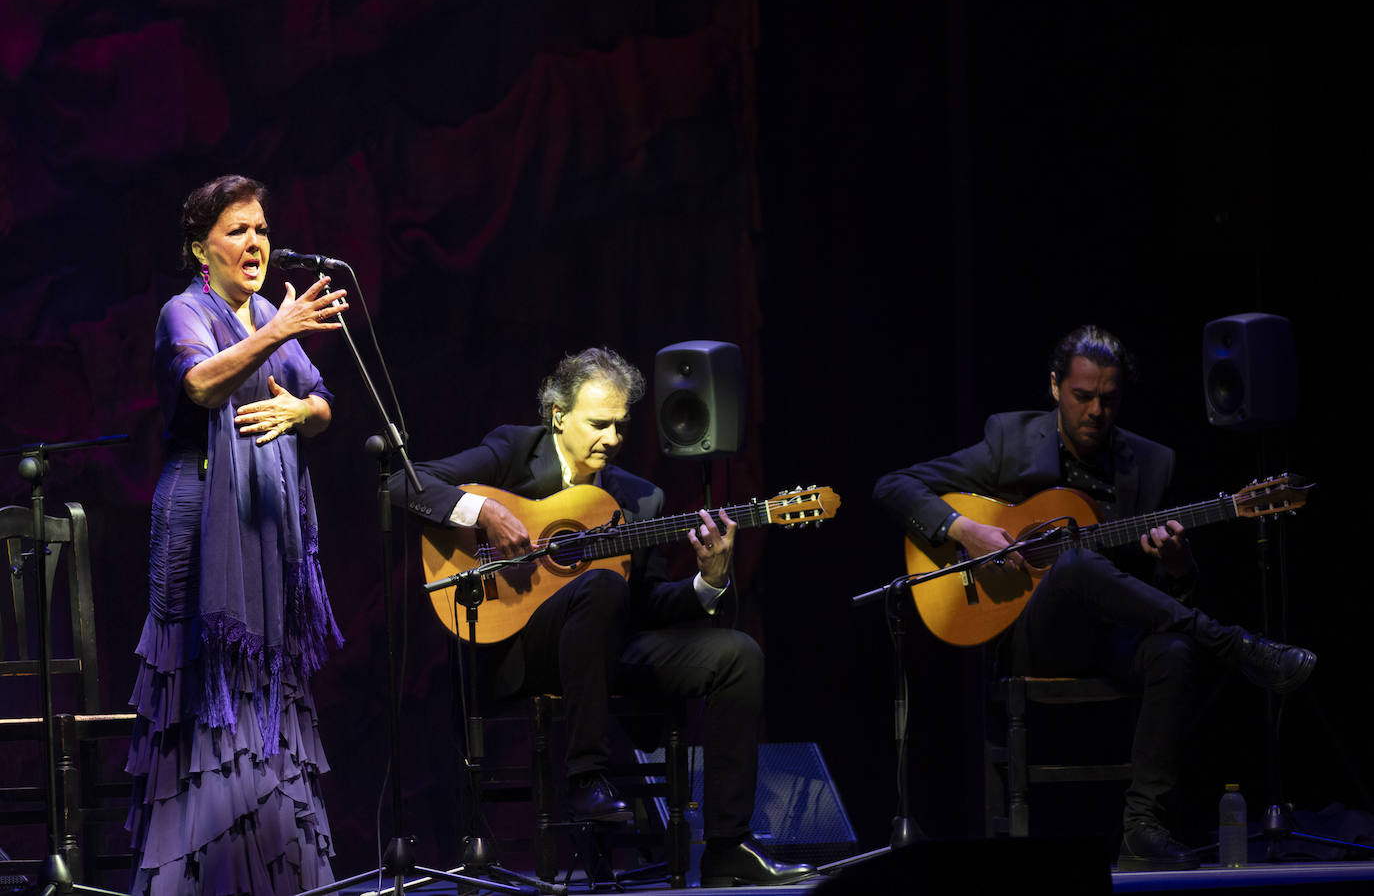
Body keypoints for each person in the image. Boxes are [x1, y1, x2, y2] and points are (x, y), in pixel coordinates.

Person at [873, 324, 1315, 872]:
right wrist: (968, 530)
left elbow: (1153, 597)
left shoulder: (1152, 463)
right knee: (1076, 562)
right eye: (1082, 396)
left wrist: (1177, 567)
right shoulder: (1010, 439)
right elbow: (893, 485)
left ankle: (1143, 825)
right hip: (1034, 635)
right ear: (1055, 387)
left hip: (1112, 639)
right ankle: (1234, 645)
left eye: (1109, 399)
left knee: (1173, 651)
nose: (1096, 412)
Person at [391, 347, 812, 887]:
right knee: (602, 585)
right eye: (598, 424)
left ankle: (728, 847)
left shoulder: (639, 498)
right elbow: (403, 482)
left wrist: (709, 580)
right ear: (558, 416)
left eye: (620, 425)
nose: (612, 438)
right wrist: (486, 511)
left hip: (605, 647)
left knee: (737, 654)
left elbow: (651, 603)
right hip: (517, 650)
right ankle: (586, 777)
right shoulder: (515, 450)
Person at [126, 175, 349, 895]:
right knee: (210, 684)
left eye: (261, 230)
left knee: (268, 686)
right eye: (237, 231)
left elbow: (322, 403)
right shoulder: (184, 312)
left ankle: (273, 871)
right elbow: (201, 386)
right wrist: (278, 331)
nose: (256, 243)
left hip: (267, 524)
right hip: (199, 518)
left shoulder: (266, 312)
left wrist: (299, 414)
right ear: (201, 248)